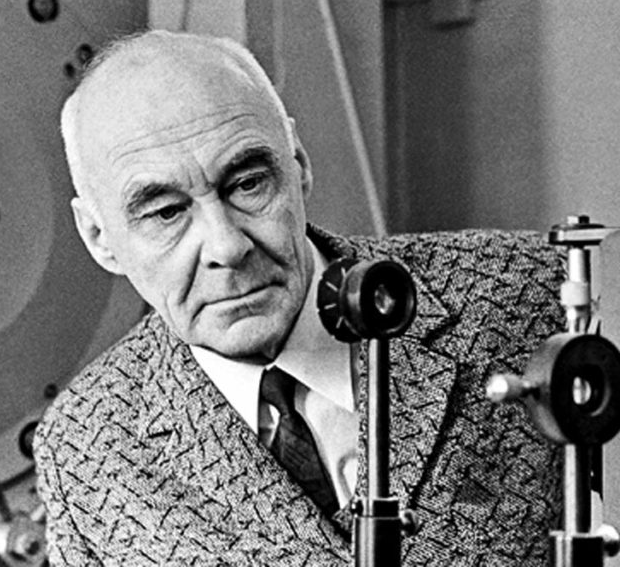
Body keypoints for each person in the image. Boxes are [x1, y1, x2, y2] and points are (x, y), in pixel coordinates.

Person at [33, 30, 565, 565]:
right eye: (166, 213)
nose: (227, 247)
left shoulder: (531, 290)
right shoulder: (84, 446)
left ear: (299, 163)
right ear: (98, 237)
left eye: (247, 184)